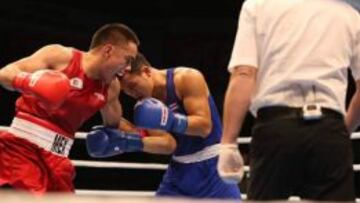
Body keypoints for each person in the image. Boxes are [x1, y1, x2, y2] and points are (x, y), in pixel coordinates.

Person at [217, 0, 360, 201]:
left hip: (276, 128)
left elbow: (244, 73)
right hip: (328, 129)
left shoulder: (258, 6)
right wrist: (342, 131)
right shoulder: (349, 15)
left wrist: (228, 143)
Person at [0, 23, 139, 194]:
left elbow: (114, 124)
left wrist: (138, 137)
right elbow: (5, 73)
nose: (128, 68)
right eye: (128, 59)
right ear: (108, 50)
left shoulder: (110, 88)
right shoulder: (60, 56)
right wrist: (30, 82)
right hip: (21, 150)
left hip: (59, 160)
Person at [86, 53, 241, 199]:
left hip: (213, 168)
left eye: (133, 86)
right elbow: (168, 144)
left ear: (146, 71)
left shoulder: (186, 78)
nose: (133, 94)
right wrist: (126, 141)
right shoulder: (145, 104)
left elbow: (204, 127)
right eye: (126, 92)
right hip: (178, 173)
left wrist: (170, 120)